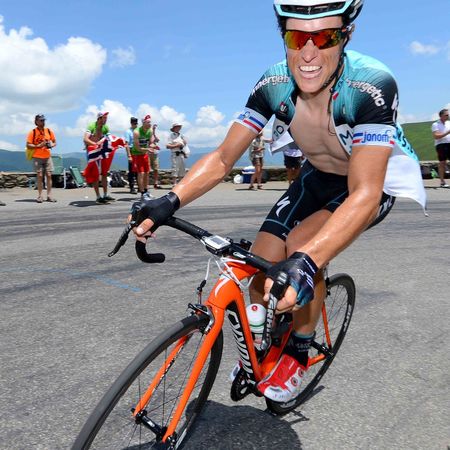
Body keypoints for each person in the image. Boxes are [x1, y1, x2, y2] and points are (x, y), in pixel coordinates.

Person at [130, 0, 426, 403]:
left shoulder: (371, 85)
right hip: (315, 177)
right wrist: (170, 200)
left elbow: (365, 193)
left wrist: (307, 262)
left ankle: (299, 351)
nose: (309, 53)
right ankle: (269, 342)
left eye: (325, 37)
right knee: (261, 269)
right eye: (296, 37)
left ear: (346, 36)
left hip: (367, 184)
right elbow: (223, 158)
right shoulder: (273, 83)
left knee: (302, 250)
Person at [83, 112, 115, 204]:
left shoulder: (105, 128)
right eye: (104, 118)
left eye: (106, 118)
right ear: (99, 119)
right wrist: (95, 144)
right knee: (95, 174)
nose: (105, 120)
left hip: (102, 151)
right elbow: (85, 139)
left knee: (104, 173)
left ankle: (105, 194)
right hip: (93, 152)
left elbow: (109, 139)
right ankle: (98, 196)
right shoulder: (91, 126)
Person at [26, 114, 57, 203]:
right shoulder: (33, 132)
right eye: (41, 120)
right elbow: (28, 145)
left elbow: (54, 142)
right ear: (36, 122)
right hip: (37, 157)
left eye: (44, 120)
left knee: (49, 175)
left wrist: (51, 145)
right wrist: (38, 146)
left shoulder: (49, 131)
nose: (43, 122)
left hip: (47, 156)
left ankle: (49, 196)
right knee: (39, 176)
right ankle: (40, 196)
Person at [132, 115, 155, 198]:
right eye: (148, 122)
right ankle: (142, 193)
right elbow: (137, 148)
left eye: (150, 122)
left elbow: (151, 142)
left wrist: (152, 146)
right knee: (141, 173)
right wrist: (148, 149)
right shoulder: (136, 132)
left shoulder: (150, 131)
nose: (150, 124)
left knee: (147, 173)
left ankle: (146, 190)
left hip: (145, 154)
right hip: (137, 154)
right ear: (143, 123)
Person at [431, 108, 450, 188]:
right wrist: (447, 132)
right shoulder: (435, 124)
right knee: (442, 163)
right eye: (446, 115)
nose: (448, 116)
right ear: (441, 116)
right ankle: (442, 182)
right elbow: (436, 136)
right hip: (441, 145)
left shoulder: (448, 123)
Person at [124, 117, 139, 194]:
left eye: (136, 123)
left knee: (138, 170)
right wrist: (129, 155)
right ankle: (132, 187)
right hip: (132, 151)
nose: (135, 125)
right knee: (132, 170)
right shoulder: (128, 132)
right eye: (134, 123)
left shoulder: (138, 131)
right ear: (131, 123)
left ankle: (140, 186)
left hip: (138, 151)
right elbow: (126, 144)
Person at [149, 124, 161, 189]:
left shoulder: (153, 135)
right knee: (147, 169)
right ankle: (145, 183)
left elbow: (157, 140)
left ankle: (155, 183)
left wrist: (154, 132)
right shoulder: (145, 135)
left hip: (155, 153)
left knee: (156, 169)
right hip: (148, 153)